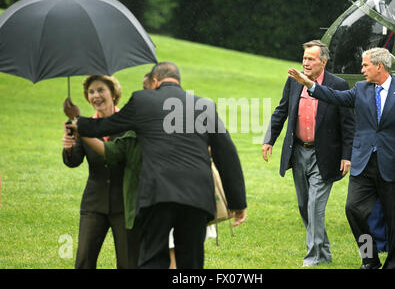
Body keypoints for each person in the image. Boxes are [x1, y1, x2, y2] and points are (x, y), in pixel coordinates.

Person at [66, 62, 247, 269]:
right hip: (196, 196)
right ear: (178, 81)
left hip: (157, 194)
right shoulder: (203, 105)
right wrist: (238, 202)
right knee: (191, 264)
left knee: (153, 259)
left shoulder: (143, 100)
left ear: (154, 80)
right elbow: (227, 155)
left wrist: (77, 120)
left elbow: (107, 125)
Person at [288, 47, 395, 269]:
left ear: (379, 66)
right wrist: (309, 85)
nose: (362, 69)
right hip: (363, 164)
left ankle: (393, 264)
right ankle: (369, 259)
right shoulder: (361, 89)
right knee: (353, 210)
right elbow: (335, 97)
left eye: (365, 65)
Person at [262, 40, 355, 267]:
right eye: (304, 58)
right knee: (304, 205)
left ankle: (313, 257)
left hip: (325, 155)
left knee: (315, 206)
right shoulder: (293, 81)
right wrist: (269, 140)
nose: (306, 62)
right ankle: (323, 252)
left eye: (311, 59)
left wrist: (347, 155)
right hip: (298, 153)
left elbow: (348, 124)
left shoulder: (338, 85)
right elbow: (281, 110)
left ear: (323, 62)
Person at [62, 75, 139, 269]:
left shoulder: (129, 124)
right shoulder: (85, 125)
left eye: (100, 90)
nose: (95, 95)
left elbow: (123, 156)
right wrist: (69, 147)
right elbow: (74, 161)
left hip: (124, 204)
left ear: (113, 94)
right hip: (94, 203)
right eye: (91, 92)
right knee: (84, 260)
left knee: (128, 263)